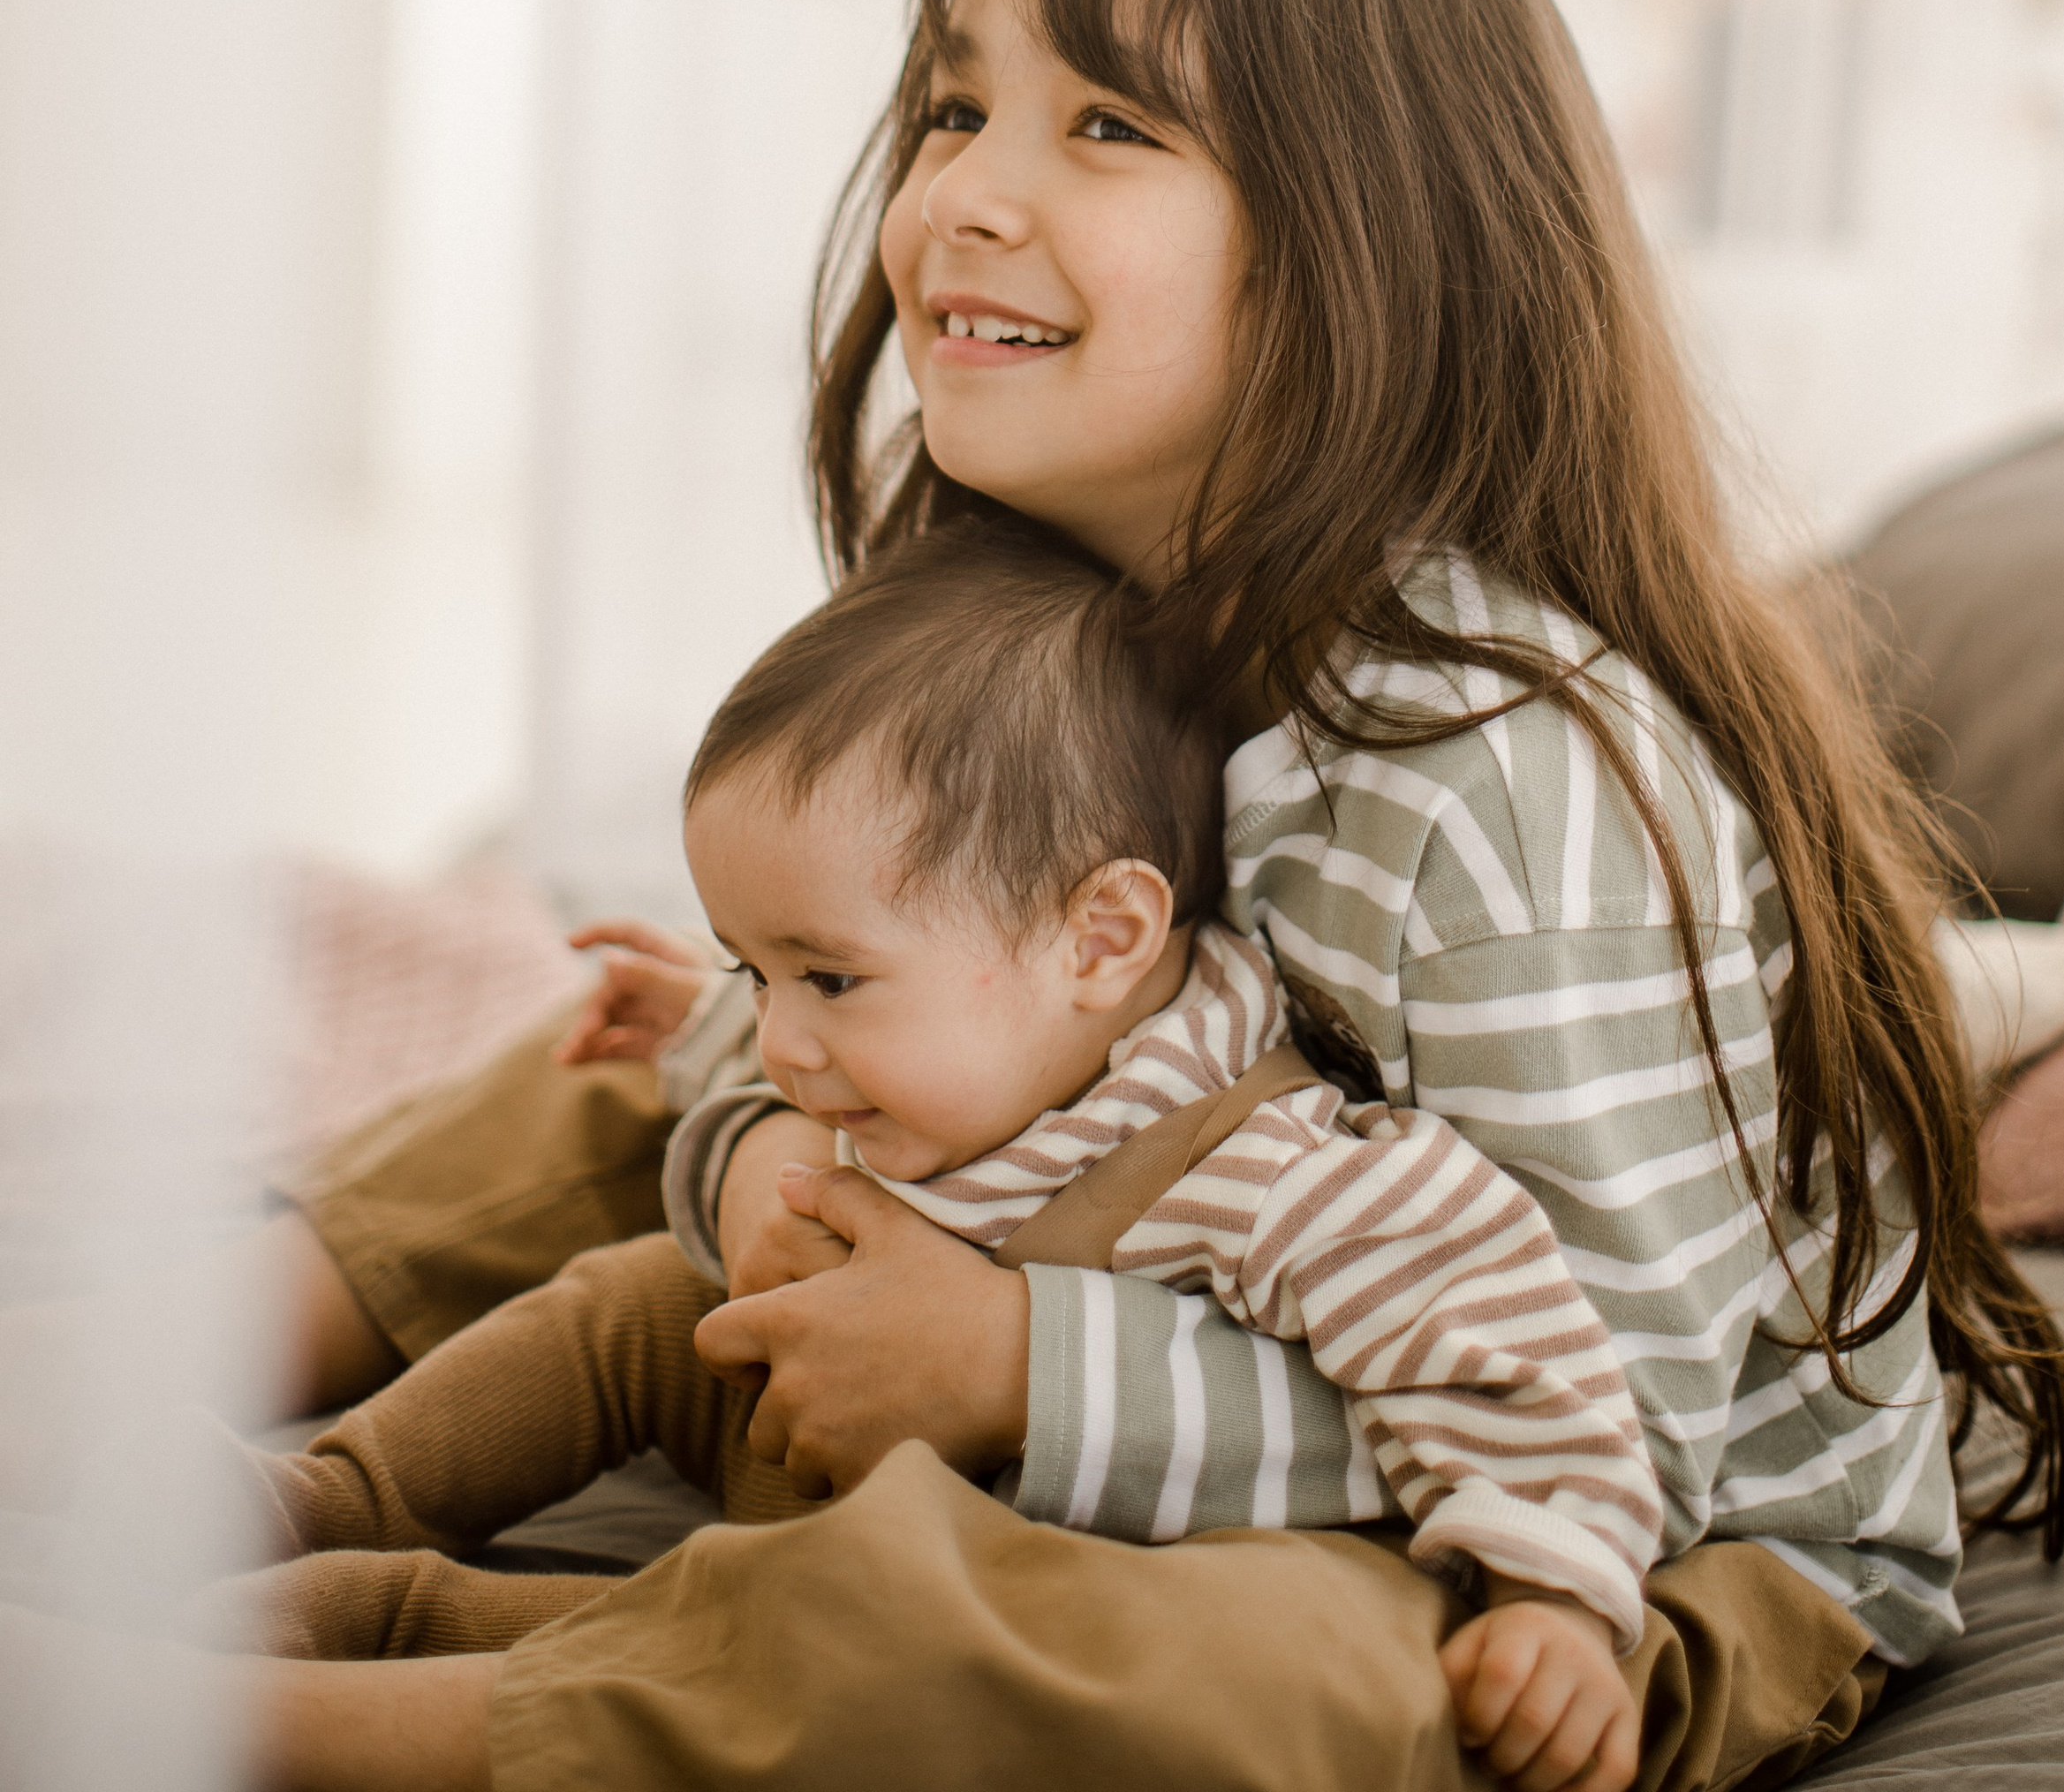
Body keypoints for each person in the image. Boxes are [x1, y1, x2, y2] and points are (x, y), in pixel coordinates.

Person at [0, 0, 2064, 1792]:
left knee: (1221, 1676)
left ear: (1372, 246)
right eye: (949, 107)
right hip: (1130, 1270)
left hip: (1596, 1541)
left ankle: (293, 1723)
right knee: (643, 1042)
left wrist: (1019, 1370)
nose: (963, 193)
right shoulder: (1044, 616)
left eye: (1103, 125)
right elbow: (834, 1029)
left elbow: (1618, 1410)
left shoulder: (1500, 801)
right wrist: (742, 1139)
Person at [175, 520, 1662, 1792]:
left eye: (823, 979)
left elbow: (1515, 1354)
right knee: (634, 1304)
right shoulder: (973, 1018)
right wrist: (697, 1023)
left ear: (1105, 936)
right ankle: (326, 1502)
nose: (784, 1040)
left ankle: (373, 1623)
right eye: (756, 974)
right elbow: (842, 1038)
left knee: (794, 1624)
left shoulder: (1283, 1168)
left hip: (970, 1538)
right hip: (805, 1428)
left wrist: (1553, 1595)